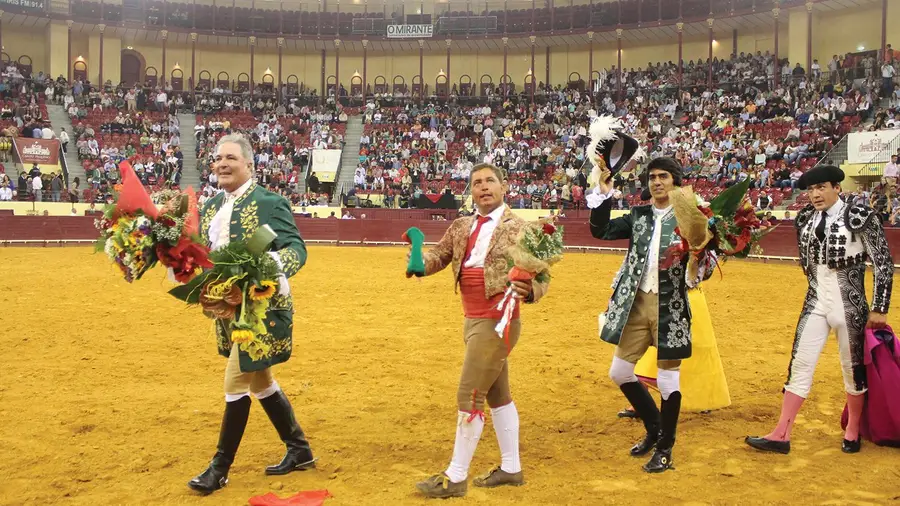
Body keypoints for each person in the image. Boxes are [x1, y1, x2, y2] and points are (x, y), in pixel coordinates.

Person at [411, 163, 549, 499]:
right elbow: (439, 257)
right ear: (470, 191)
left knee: (468, 395)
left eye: (490, 181)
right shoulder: (461, 226)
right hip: (472, 317)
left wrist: (529, 290)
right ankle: (511, 468)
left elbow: (542, 275)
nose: (483, 187)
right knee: (497, 395)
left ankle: (455, 477)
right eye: (477, 183)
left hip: (498, 318)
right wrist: (416, 259)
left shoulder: (522, 228)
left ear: (504, 187)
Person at [188, 133, 315, 494]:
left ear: (248, 164)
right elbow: (202, 255)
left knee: (237, 380)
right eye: (217, 159)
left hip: (262, 309)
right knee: (260, 381)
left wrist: (268, 267)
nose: (222, 164)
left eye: (230, 158)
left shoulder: (269, 202)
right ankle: (300, 450)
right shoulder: (210, 206)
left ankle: (220, 467)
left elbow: (296, 249)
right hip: (227, 310)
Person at [746, 165, 893, 455]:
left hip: (849, 302)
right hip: (815, 298)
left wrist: (879, 307)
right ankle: (781, 433)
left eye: (821, 187)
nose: (815, 194)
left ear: (837, 188)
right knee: (799, 363)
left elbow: (883, 263)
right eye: (811, 189)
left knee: (852, 370)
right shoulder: (804, 218)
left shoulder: (860, 216)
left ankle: (852, 430)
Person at [589, 155, 715, 473]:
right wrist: (603, 193)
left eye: (663, 176)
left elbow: (706, 268)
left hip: (671, 306)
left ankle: (665, 449)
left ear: (676, 181)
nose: (656, 182)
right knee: (619, 372)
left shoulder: (691, 217)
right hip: (637, 303)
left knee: (668, 380)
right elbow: (600, 230)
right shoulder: (639, 215)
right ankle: (654, 429)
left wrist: (700, 259)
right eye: (652, 177)